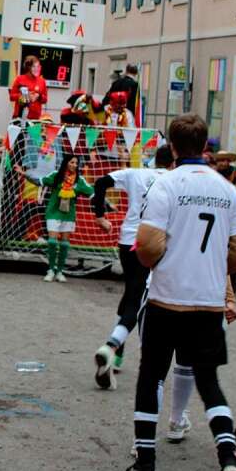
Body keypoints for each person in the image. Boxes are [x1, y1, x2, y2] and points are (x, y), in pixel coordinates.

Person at [130, 113, 236, 471]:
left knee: (151, 375)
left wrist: (165, 261)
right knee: (209, 381)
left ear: (171, 144)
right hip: (207, 301)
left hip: (168, 296)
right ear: (204, 146)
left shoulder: (166, 184)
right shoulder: (227, 189)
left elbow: (148, 244)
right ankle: (227, 457)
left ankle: (146, 463)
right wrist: (216, 267)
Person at [91, 145, 173, 389]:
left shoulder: (134, 173)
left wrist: (99, 215)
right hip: (152, 243)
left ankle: (117, 355)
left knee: (132, 292)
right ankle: (111, 346)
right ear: (172, 163)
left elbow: (100, 183)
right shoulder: (173, 180)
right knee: (140, 299)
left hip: (127, 241)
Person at [15, 153, 94, 283]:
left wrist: (108, 204)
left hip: (68, 214)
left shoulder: (80, 180)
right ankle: (51, 270)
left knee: (64, 243)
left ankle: (60, 271)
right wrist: (24, 174)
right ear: (66, 163)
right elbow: (39, 181)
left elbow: (93, 194)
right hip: (53, 212)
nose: (74, 165)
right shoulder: (56, 176)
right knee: (52, 241)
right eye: (71, 162)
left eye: (76, 163)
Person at [9, 56, 47, 120]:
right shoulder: (19, 79)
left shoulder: (42, 81)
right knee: (17, 130)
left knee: (35, 130)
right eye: (34, 67)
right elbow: (11, 97)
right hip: (19, 117)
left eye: (38, 67)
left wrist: (38, 96)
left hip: (35, 118)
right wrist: (25, 96)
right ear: (28, 67)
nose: (37, 69)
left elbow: (45, 99)